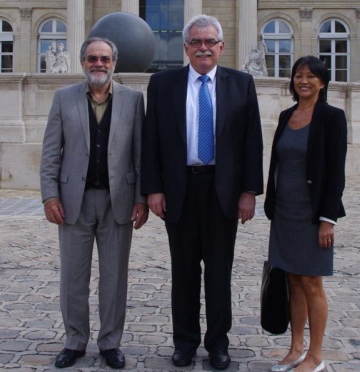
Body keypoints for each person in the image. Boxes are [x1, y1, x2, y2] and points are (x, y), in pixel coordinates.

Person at [142, 14, 264, 371]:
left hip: (222, 191)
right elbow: (152, 142)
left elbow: (251, 142)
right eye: (196, 42)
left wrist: (249, 192)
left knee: (218, 273)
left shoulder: (241, 84)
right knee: (183, 273)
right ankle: (184, 343)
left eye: (210, 41)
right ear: (186, 48)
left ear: (222, 47)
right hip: (179, 189)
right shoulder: (163, 85)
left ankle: (218, 344)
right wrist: (153, 189)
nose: (203, 47)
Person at [40, 37, 148, 369]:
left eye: (104, 59)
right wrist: (50, 195)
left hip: (120, 201)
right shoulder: (63, 98)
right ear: (83, 62)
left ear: (114, 62)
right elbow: (50, 154)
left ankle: (110, 342)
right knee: (73, 276)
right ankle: (74, 341)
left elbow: (141, 155)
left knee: (114, 278)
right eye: (91, 58)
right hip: (74, 202)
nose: (98, 64)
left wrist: (142, 198)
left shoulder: (132, 100)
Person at [264, 55, 347, 372]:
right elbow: (277, 163)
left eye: (312, 76)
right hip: (285, 212)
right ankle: (296, 348)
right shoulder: (287, 116)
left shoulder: (332, 117)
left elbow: (336, 173)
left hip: (313, 215)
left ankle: (316, 354)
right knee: (293, 280)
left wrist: (328, 219)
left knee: (312, 282)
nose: (304, 80)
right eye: (299, 75)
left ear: (322, 82)